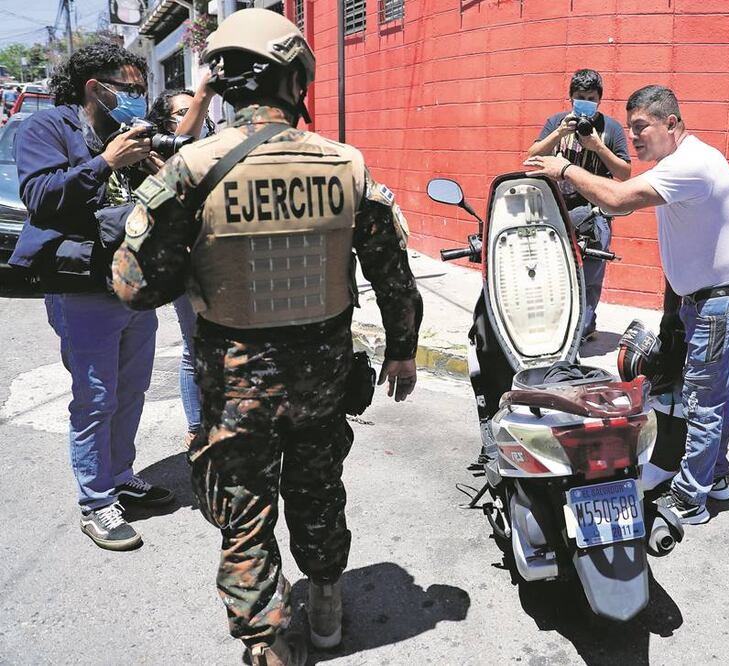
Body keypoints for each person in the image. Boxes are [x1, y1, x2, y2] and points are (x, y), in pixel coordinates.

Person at [112, 9, 423, 665]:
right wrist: (401, 349)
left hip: (235, 388)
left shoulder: (192, 169)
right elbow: (393, 271)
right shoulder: (346, 165)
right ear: (296, 78)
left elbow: (135, 286)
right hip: (324, 383)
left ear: (223, 85)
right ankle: (329, 607)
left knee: (245, 516)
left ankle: (267, 645)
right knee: (318, 494)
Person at [524, 84, 729, 525]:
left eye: (640, 127)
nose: (634, 137)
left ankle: (691, 500)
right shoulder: (682, 159)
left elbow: (617, 199)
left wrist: (566, 168)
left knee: (703, 401)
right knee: (715, 395)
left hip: (721, 305)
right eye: (629, 129)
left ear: (671, 123)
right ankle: (716, 477)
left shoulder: (690, 164)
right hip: (707, 301)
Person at [10, 43, 173, 552]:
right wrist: (105, 162)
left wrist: (157, 169)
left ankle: (121, 475)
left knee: (132, 390)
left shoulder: (126, 135)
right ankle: (96, 503)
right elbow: (40, 198)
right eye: (126, 89)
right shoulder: (46, 128)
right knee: (96, 397)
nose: (134, 99)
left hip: (133, 283)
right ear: (94, 88)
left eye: (139, 91)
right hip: (80, 285)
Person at [526, 69, 630, 340]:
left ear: (600, 99)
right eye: (580, 97)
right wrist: (559, 133)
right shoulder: (557, 122)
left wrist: (598, 147)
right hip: (556, 211)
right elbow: (531, 156)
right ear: (571, 98)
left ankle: (583, 328)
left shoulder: (612, 129)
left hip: (595, 214)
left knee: (591, 277)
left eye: (590, 98)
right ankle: (555, 326)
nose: (585, 102)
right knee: (551, 270)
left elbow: (625, 173)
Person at [145, 80, 217, 447]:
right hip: (188, 266)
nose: (197, 117)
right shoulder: (159, 157)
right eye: (184, 112)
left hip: (224, 262)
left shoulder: (218, 148)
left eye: (199, 109)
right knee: (195, 349)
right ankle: (196, 428)